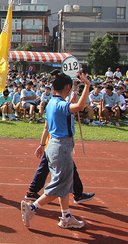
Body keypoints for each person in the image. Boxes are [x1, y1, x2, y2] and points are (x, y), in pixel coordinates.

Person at [21, 70, 91, 229]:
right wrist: (87, 86)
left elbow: (48, 125)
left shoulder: (51, 102)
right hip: (62, 147)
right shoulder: (61, 105)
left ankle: (66, 216)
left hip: (52, 145)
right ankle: (32, 207)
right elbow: (80, 106)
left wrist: (41, 144)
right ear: (67, 87)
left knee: (63, 184)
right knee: (59, 185)